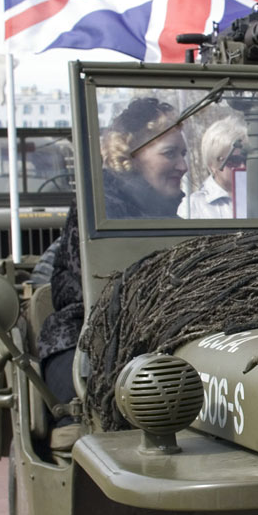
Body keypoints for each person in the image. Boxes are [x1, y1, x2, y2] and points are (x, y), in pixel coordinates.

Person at [38, 99, 188, 432]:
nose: (183, 165)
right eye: (170, 153)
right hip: (83, 342)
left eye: (184, 154)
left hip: (155, 343)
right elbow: (101, 291)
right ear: (131, 156)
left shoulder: (168, 215)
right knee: (120, 417)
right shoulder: (99, 209)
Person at [178, 115, 247, 219]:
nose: (243, 167)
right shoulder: (193, 207)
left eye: (247, 160)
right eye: (234, 161)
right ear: (212, 164)